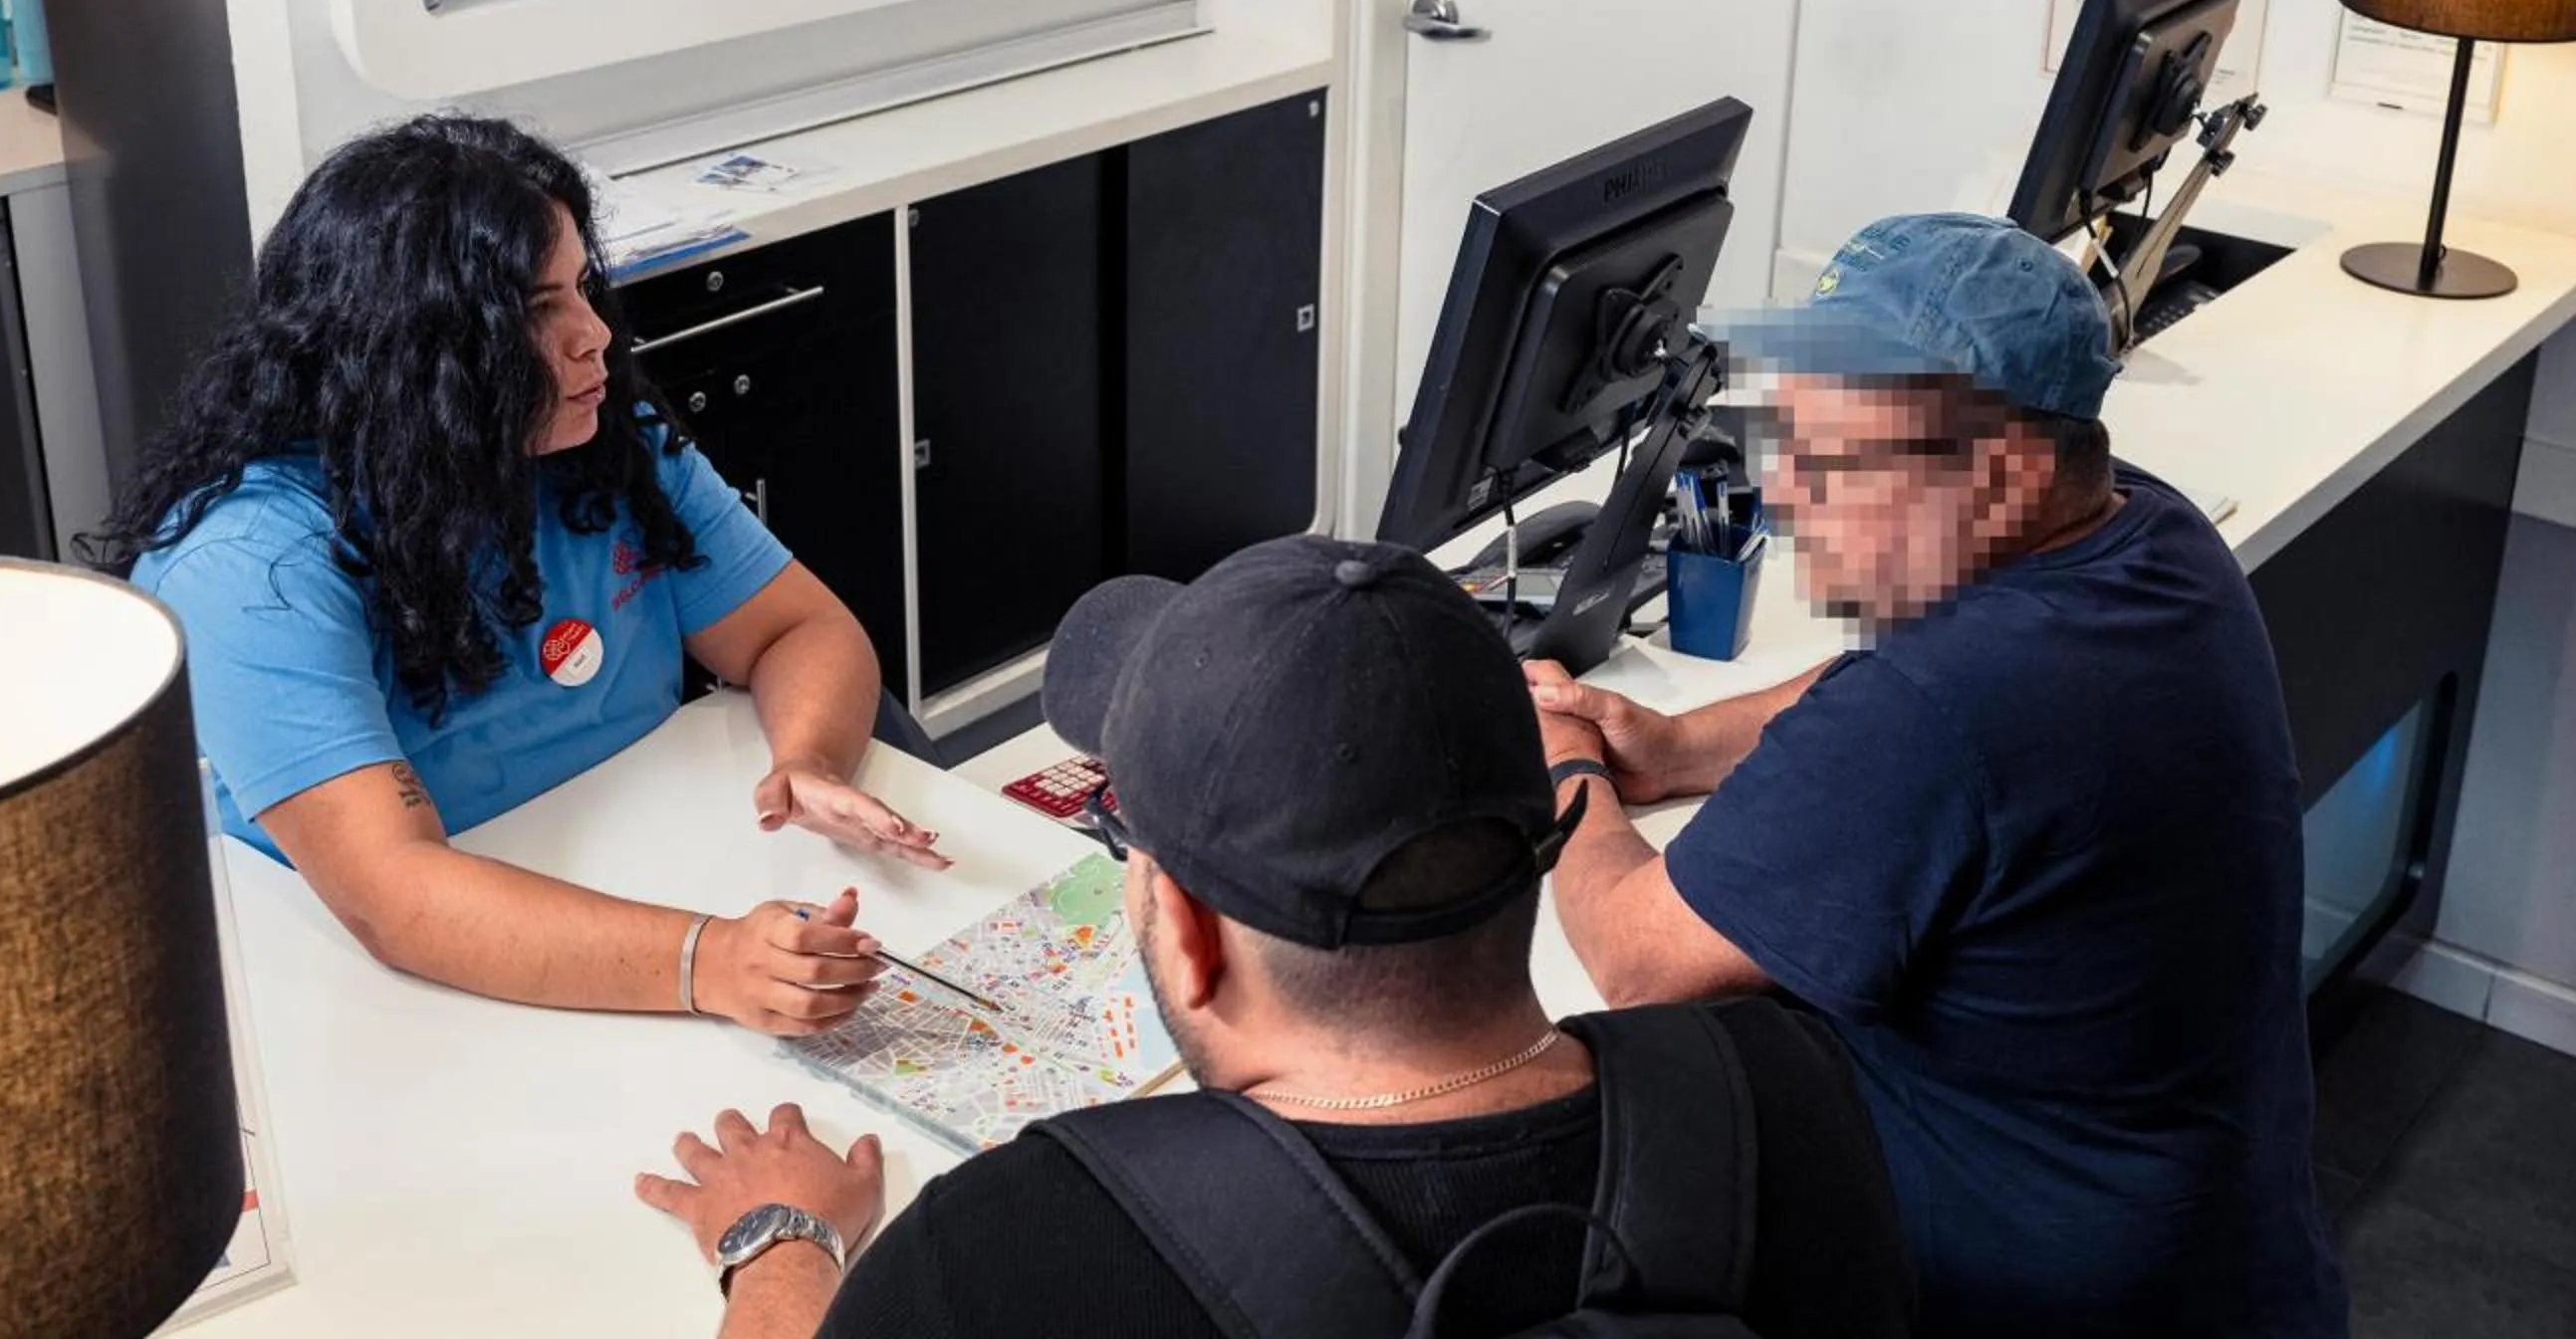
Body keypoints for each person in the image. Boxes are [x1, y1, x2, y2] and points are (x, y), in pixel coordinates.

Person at [637, 535, 1916, 1338]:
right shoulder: (1782, 1099)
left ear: (1183, 930)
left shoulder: (1013, 1248)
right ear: (1545, 838)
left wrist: (779, 1251)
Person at [1526, 212, 2349, 1338]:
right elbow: (1883, 677)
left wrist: (1563, 759)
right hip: (2224, 1247)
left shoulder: (1955, 702)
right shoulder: (2143, 528)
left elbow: (1639, 955)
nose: (1788, 486)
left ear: (2006, 470)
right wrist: (1678, 746)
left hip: (2035, 1299)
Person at [90, 114, 948, 1037]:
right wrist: (711, 963)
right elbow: (398, 897)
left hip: (650, 882)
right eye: (539, 311)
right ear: (415, 348)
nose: (596, 339)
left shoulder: (607, 444)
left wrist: (805, 760)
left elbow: (799, 630)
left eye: (581, 288)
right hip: (408, 995)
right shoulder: (250, 566)